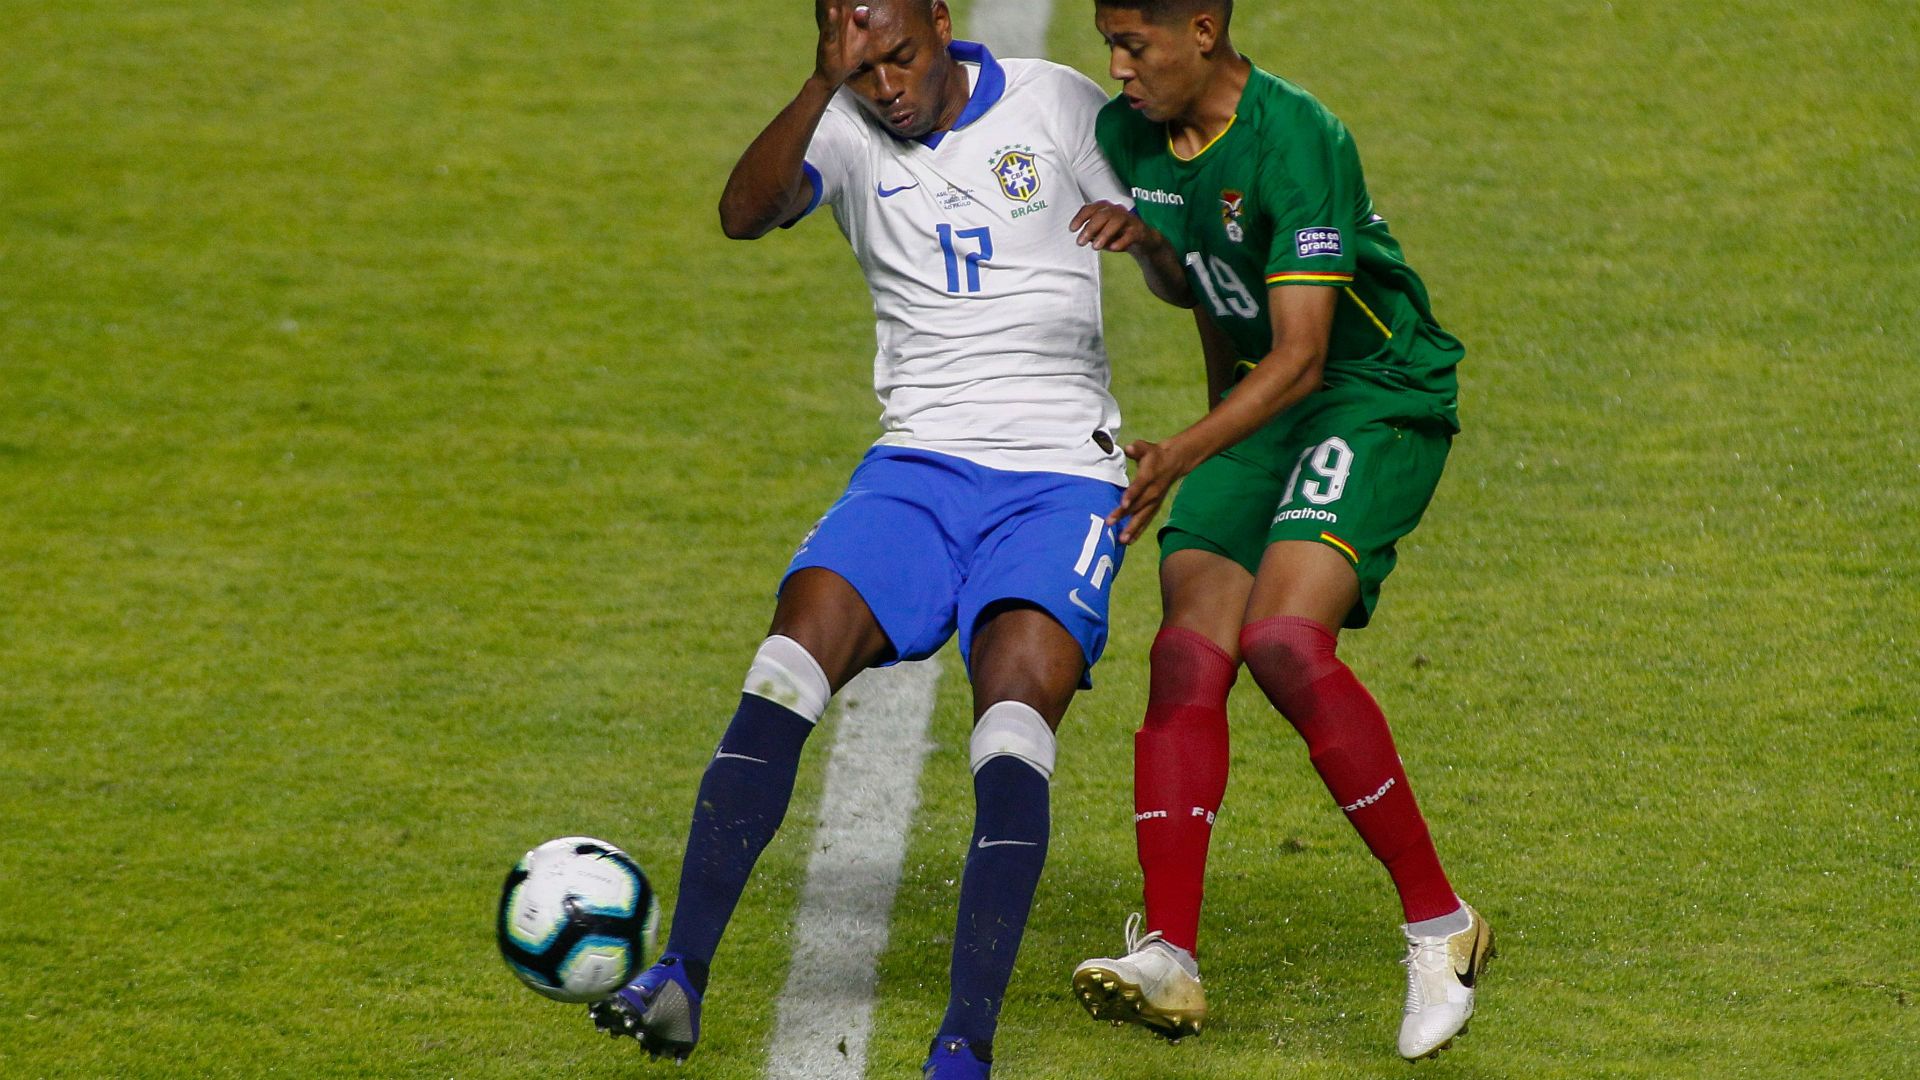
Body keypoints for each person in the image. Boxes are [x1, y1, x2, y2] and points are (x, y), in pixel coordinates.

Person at [587, 2, 1185, 1076]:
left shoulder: (1056, 105)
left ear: (941, 25)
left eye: (901, 58)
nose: (888, 87)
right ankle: (679, 974)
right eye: (863, 68)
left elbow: (1187, 273)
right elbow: (742, 213)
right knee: (787, 656)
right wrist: (824, 85)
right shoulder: (844, 121)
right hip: (916, 467)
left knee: (1013, 709)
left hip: (1058, 479)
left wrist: (1150, 243)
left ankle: (963, 1045)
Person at [1065, 0, 1494, 1062]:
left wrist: (1188, 452)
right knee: (1184, 653)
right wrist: (1152, 249)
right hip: (1259, 402)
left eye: (1135, 46)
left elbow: (1305, 351)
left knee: (1282, 644)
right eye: (1107, 43)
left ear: (1202, 29)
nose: (1116, 69)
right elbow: (1208, 279)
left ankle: (1441, 930)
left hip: (1368, 389)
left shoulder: (1300, 135)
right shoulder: (1135, 136)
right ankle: (1170, 953)